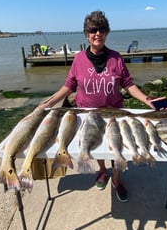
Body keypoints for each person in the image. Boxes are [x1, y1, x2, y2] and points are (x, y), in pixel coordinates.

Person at [36, 10, 155, 202]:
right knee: (96, 145)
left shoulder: (116, 58)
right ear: (86, 34)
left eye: (102, 29)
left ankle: (117, 179)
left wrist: (146, 100)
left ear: (107, 33)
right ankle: (101, 171)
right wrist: (47, 103)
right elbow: (68, 87)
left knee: (118, 148)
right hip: (88, 114)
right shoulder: (78, 60)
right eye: (93, 30)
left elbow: (129, 84)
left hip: (113, 114)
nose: (97, 33)